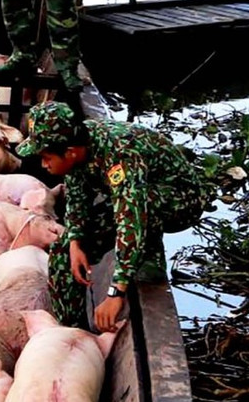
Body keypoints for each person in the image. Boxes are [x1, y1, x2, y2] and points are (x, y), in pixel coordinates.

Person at [17, 101, 215, 332]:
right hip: (135, 196)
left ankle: (150, 254)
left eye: (47, 157)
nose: (43, 165)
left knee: (138, 207)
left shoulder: (120, 154)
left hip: (181, 202)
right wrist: (75, 242)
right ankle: (73, 333)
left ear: (70, 152)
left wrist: (116, 292)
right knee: (62, 251)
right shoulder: (77, 146)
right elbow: (78, 201)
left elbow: (130, 220)